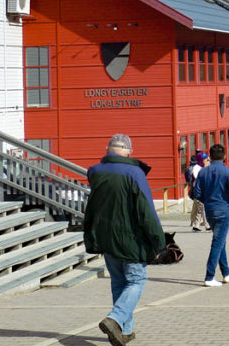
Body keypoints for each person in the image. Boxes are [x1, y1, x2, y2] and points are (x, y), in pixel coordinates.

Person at [84, 134, 166, 346]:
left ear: (107, 149)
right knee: (137, 281)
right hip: (131, 240)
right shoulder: (134, 173)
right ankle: (115, 318)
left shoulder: (96, 172)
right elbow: (146, 211)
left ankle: (125, 330)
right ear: (130, 151)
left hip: (106, 238)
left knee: (119, 282)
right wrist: (158, 242)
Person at [193, 143, 229, 286]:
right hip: (224, 209)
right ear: (225, 156)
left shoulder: (203, 172)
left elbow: (197, 193)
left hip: (210, 210)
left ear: (211, 156)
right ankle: (209, 276)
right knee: (217, 242)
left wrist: (207, 202)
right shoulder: (227, 172)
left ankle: (226, 273)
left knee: (220, 241)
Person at [188, 151, 211, 231]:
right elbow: (200, 178)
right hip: (199, 190)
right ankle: (207, 225)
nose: (207, 161)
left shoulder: (205, 167)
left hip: (205, 190)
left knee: (199, 209)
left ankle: (196, 225)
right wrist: (205, 168)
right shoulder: (196, 168)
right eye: (205, 159)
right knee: (203, 208)